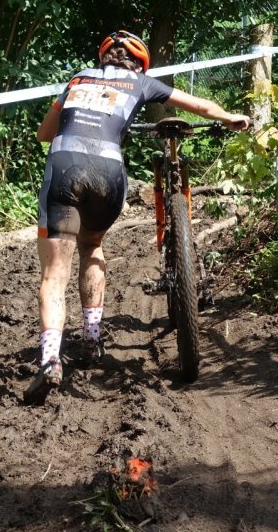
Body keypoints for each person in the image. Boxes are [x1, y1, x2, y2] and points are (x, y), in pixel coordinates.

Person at [24, 30, 250, 405]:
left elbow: (44, 134)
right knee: (92, 246)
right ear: (139, 63)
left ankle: (50, 360)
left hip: (65, 170)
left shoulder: (77, 79)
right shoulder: (141, 82)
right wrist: (229, 118)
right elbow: (202, 106)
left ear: (103, 58)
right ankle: (93, 339)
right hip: (108, 175)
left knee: (53, 274)